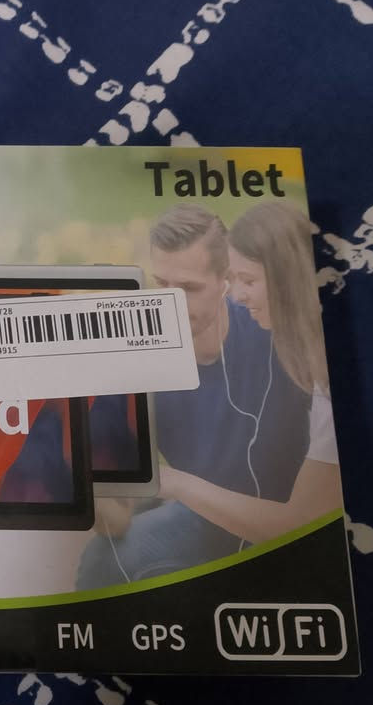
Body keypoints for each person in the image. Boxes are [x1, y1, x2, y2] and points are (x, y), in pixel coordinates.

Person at [75, 204, 310, 588]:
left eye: (188, 288)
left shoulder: (275, 334)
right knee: (106, 556)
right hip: (203, 514)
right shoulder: (140, 357)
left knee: (124, 556)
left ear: (226, 280)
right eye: (162, 284)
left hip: (287, 523)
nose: (170, 303)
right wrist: (97, 491)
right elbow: (114, 511)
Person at [157, 202, 341, 542]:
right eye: (233, 279)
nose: (237, 296)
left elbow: (300, 525)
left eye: (248, 280)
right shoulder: (313, 362)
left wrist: (178, 483)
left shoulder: (326, 371)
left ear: (288, 280)